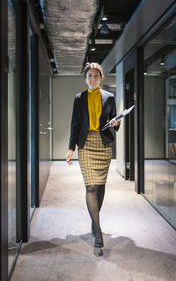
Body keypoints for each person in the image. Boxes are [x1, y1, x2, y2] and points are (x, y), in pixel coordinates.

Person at [65, 62, 120, 255]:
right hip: (86, 144)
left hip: (103, 144)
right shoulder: (79, 98)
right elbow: (75, 124)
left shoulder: (109, 97)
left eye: (96, 76)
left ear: (101, 78)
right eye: (89, 76)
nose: (92, 79)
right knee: (91, 186)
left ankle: (93, 219)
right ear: (85, 78)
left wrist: (116, 122)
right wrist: (71, 148)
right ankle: (98, 232)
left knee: (101, 185)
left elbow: (114, 122)